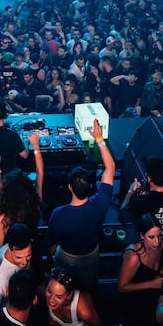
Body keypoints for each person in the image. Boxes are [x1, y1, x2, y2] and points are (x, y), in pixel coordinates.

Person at [45, 120, 115, 292]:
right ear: (90, 186)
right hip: (91, 255)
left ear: (70, 187)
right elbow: (111, 168)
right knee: (88, 287)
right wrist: (99, 139)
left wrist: (52, 259)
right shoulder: (99, 203)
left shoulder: (59, 213)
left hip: (67, 257)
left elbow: (51, 245)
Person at [117, 214, 163, 326]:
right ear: (141, 236)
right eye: (151, 237)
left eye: (159, 235)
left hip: (152, 304)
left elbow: (161, 268)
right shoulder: (133, 256)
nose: (157, 241)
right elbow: (122, 287)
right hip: (133, 307)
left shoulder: (162, 245)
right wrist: (151, 283)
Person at [122, 156, 163, 263]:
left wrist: (131, 192)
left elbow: (123, 213)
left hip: (148, 256)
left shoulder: (142, 201)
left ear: (149, 178)